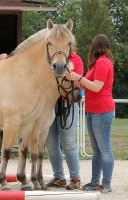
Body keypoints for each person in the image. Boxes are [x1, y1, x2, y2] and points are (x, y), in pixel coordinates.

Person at [66, 34, 115, 193]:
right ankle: (95, 182)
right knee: (97, 149)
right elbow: (86, 84)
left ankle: (106, 183)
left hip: (102, 110)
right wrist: (71, 75)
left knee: (104, 149)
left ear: (96, 47)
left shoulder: (103, 62)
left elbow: (96, 87)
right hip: (93, 110)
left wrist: (78, 77)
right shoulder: (96, 65)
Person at [46, 48, 84, 190]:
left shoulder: (76, 59)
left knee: (68, 142)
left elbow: (78, 83)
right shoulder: (51, 60)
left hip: (67, 103)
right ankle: (59, 177)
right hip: (50, 104)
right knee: (51, 143)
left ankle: (75, 178)